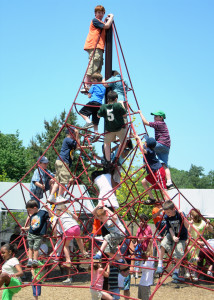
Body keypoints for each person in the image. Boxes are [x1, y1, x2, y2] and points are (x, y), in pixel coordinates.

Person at [47, 127, 91, 203]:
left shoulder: (69, 141)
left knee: (58, 180)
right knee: (63, 179)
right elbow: (77, 145)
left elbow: (77, 147)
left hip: (60, 161)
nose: (75, 135)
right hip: (63, 161)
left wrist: (87, 147)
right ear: (71, 133)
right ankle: (59, 197)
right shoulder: (67, 139)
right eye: (74, 133)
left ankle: (51, 196)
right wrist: (77, 134)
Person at [139, 110, 173, 190]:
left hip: (161, 144)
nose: (154, 117)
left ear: (161, 118)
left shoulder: (159, 123)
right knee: (164, 164)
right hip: (166, 147)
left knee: (146, 147)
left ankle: (145, 163)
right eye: (154, 116)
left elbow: (145, 122)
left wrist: (140, 113)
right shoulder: (163, 124)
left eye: (156, 116)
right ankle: (169, 182)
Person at [156, 201, 189, 283]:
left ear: (174, 209)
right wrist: (173, 236)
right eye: (166, 212)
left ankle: (176, 272)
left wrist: (183, 217)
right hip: (172, 235)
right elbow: (169, 228)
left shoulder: (179, 214)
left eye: (169, 212)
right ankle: (160, 264)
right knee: (163, 244)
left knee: (179, 254)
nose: (167, 214)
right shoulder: (167, 217)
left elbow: (187, 226)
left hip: (181, 237)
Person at [83, 5, 114, 90]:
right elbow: (107, 26)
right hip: (94, 46)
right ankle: (87, 85)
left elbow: (105, 26)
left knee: (98, 66)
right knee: (93, 64)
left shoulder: (101, 22)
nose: (100, 14)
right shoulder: (95, 21)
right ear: (95, 14)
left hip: (99, 47)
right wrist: (111, 17)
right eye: (98, 12)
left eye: (102, 13)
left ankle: (93, 85)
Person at [134, 134, 167, 204]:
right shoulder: (148, 148)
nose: (144, 142)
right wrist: (136, 138)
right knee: (143, 182)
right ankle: (152, 198)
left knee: (163, 188)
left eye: (145, 142)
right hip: (153, 172)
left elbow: (142, 150)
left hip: (158, 171)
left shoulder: (150, 151)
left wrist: (139, 139)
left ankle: (167, 201)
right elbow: (142, 146)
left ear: (147, 144)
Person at [97, 91, 127, 164]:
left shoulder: (103, 106)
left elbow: (98, 116)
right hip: (120, 128)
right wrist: (122, 104)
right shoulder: (118, 105)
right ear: (116, 99)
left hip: (109, 129)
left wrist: (104, 113)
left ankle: (108, 160)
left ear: (108, 99)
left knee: (106, 143)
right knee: (123, 142)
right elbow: (125, 115)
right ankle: (116, 157)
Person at [21, 200, 49, 267]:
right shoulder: (32, 215)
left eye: (30, 210)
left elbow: (51, 215)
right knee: (30, 247)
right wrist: (25, 228)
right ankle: (30, 260)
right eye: (28, 210)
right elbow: (32, 226)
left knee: (36, 248)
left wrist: (47, 208)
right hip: (31, 233)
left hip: (38, 235)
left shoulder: (43, 213)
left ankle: (35, 260)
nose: (29, 212)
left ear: (35, 208)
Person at [79, 72, 106, 142]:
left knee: (82, 112)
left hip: (93, 102)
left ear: (95, 80)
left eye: (92, 80)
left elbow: (89, 96)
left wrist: (88, 90)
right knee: (95, 121)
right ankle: (96, 133)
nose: (92, 82)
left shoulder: (93, 86)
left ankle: (88, 122)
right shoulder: (104, 87)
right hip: (100, 104)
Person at [186, 209, 211, 281]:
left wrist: (208, 223)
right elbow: (189, 232)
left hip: (197, 244)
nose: (191, 217)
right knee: (192, 257)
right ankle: (188, 271)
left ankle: (193, 273)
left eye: (193, 216)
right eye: (191, 215)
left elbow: (208, 228)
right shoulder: (190, 222)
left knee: (195, 260)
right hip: (190, 243)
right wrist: (190, 225)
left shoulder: (202, 223)